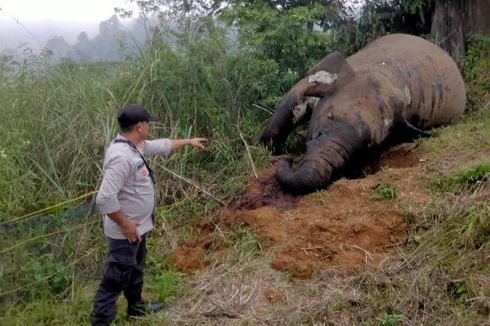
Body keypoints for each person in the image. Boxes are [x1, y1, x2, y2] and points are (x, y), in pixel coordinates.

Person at [91, 104, 207, 325]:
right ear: (140, 126)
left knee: (136, 270)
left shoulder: (136, 146)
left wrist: (188, 142)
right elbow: (104, 199)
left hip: (139, 228)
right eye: (148, 123)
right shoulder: (120, 157)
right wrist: (125, 224)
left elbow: (162, 145)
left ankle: (135, 307)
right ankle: (101, 321)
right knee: (114, 281)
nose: (150, 127)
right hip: (125, 233)